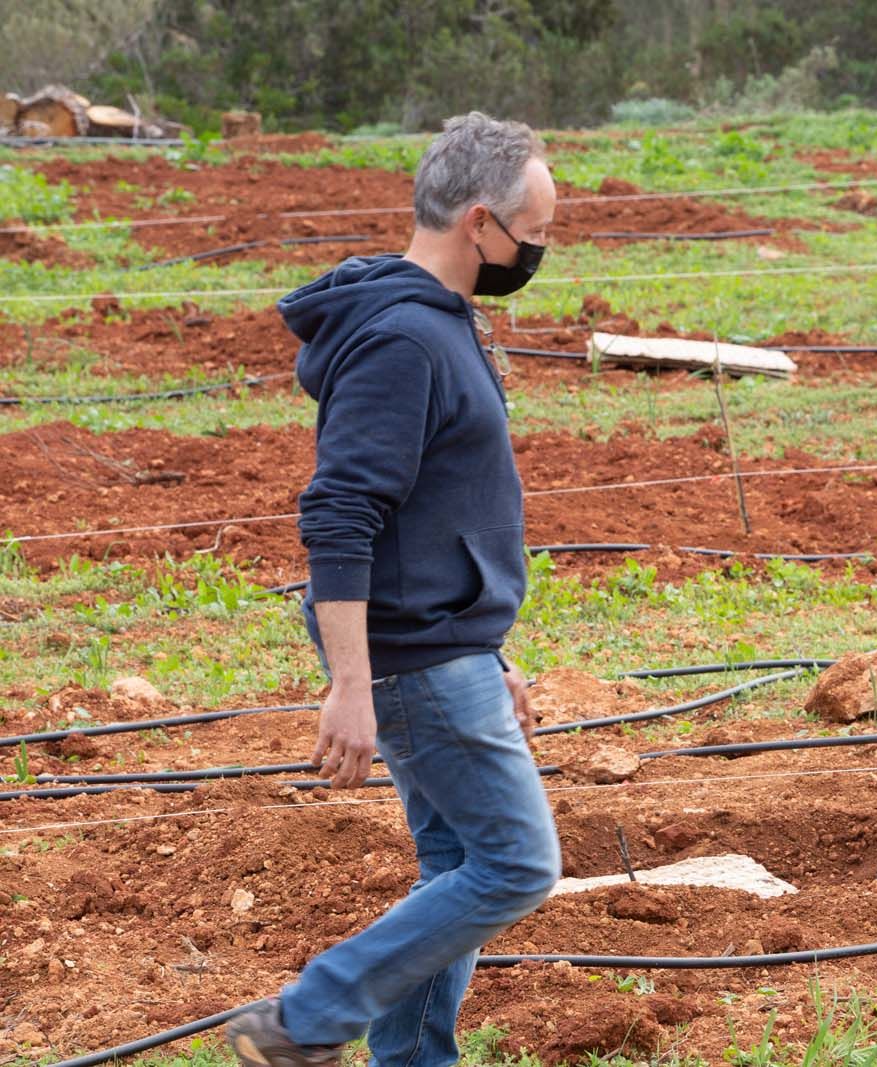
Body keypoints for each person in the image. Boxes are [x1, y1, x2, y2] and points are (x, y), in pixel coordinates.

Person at [225, 113, 561, 1067]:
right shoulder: (403, 340)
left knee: (457, 861)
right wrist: (352, 684)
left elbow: (435, 515)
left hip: (443, 644)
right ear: (482, 224)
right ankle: (305, 1016)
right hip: (413, 655)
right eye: (535, 237)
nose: (539, 254)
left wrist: (487, 646)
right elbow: (340, 514)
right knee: (517, 864)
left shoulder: (435, 322)